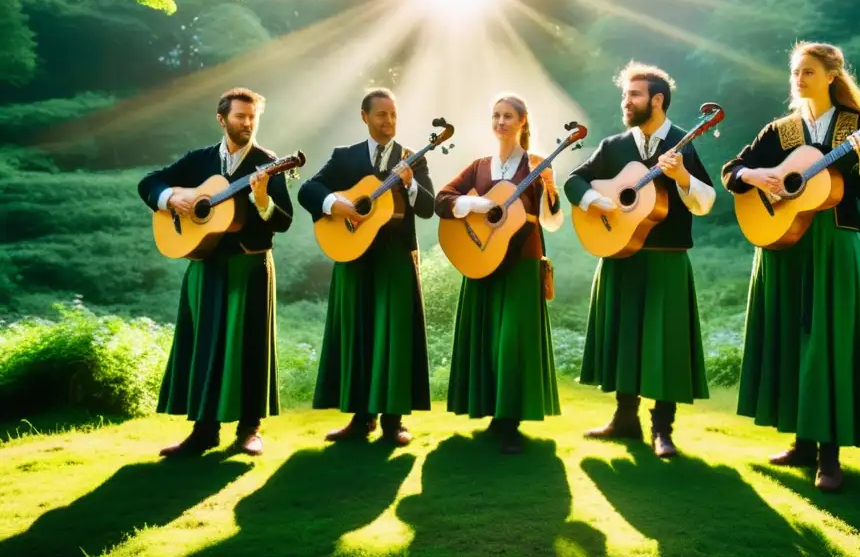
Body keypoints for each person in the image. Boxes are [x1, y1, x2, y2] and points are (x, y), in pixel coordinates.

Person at [721, 41, 860, 491]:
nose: (798, 80)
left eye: (808, 72)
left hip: (833, 247)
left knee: (826, 345)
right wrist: (753, 176)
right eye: (795, 72)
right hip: (781, 244)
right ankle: (800, 443)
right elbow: (731, 169)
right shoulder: (780, 130)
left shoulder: (858, 127)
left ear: (832, 75)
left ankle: (829, 456)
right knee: (788, 340)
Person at [564, 62, 716, 458]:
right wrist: (596, 200)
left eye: (634, 95)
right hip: (620, 254)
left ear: (658, 100)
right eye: (624, 95)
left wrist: (682, 176)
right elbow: (573, 181)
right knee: (624, 338)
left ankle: (662, 430)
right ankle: (624, 418)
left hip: (666, 258)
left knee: (663, 344)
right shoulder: (614, 146)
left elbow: (706, 201)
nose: (626, 102)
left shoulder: (683, 143)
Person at [138, 87, 293, 457]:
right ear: (222, 119)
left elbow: (284, 222)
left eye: (253, 116)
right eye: (240, 116)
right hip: (205, 265)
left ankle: (249, 429)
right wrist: (170, 198)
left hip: (249, 265)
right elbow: (149, 182)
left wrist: (262, 201)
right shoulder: (199, 159)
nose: (248, 123)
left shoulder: (267, 162)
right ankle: (203, 430)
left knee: (249, 347)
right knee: (204, 346)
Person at [298, 88, 434, 446]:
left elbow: (428, 207)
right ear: (365, 117)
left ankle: (394, 423)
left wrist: (411, 185)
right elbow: (308, 190)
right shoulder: (345, 157)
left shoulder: (412, 158)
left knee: (393, 338)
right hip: (353, 256)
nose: (388, 121)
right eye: (381, 115)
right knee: (357, 335)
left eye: (393, 115)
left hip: (395, 260)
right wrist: (334, 204)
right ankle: (360, 420)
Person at [434, 94, 562, 454]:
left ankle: (509, 422)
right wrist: (475, 204)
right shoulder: (479, 166)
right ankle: (490, 413)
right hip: (481, 261)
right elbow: (442, 199)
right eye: (496, 116)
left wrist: (550, 188)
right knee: (487, 340)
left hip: (522, 262)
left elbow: (552, 222)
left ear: (522, 122)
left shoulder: (536, 165)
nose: (501, 122)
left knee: (511, 343)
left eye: (508, 116)